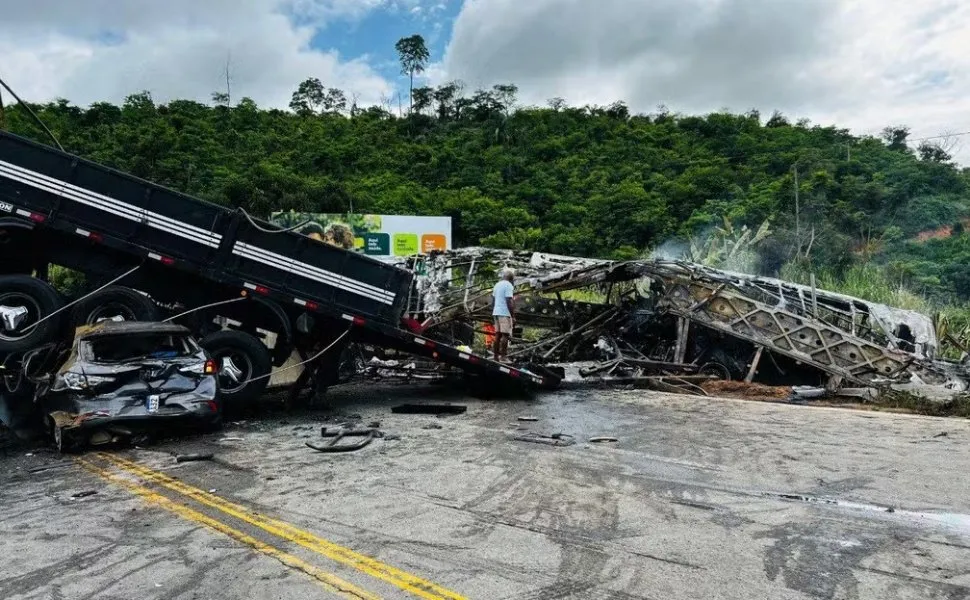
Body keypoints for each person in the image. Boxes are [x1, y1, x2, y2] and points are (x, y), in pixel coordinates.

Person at [492, 268, 516, 362]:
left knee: (497, 335)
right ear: (511, 279)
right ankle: (503, 357)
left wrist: (494, 310)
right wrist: (513, 315)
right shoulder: (508, 285)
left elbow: (493, 300)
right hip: (504, 313)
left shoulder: (497, 285)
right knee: (505, 335)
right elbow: (509, 300)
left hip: (496, 312)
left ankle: (495, 357)